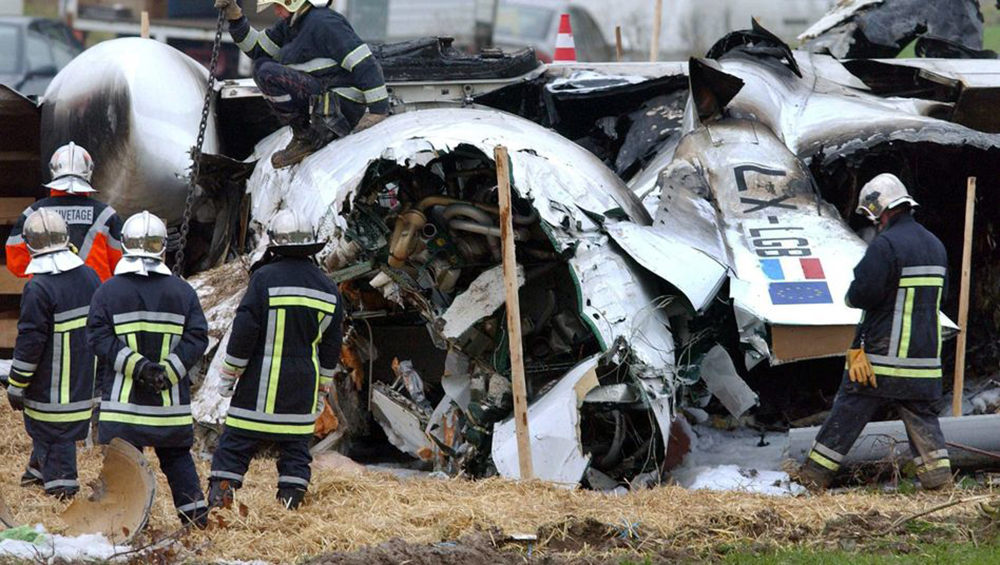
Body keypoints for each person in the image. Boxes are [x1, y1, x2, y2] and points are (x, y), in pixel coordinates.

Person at [797, 174, 952, 491]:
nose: (875, 223)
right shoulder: (935, 246)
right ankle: (938, 482)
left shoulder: (886, 245)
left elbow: (862, 294)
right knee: (923, 419)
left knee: (849, 410)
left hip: (882, 359)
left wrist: (851, 295)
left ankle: (813, 476)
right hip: (924, 361)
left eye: (873, 217)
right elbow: (942, 296)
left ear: (881, 209)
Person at [208, 210, 342, 510]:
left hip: (258, 387)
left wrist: (229, 374)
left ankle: (219, 505)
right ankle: (288, 509)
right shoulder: (327, 287)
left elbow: (245, 331)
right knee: (295, 452)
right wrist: (322, 388)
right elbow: (331, 346)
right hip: (301, 388)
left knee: (235, 446)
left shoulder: (263, 279)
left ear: (275, 243)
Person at [86, 211, 210, 527]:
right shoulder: (183, 292)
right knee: (178, 461)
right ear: (163, 247)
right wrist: (166, 372)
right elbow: (197, 338)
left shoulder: (108, 291)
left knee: (124, 470)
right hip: (169, 408)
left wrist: (139, 368)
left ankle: (123, 527)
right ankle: (196, 521)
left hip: (123, 408)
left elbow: (98, 338)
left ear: (124, 244)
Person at [215, 0, 389, 169]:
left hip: (340, 107)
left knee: (267, 73)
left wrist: (378, 111)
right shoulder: (290, 25)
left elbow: (365, 64)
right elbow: (258, 48)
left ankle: (309, 137)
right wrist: (235, 17)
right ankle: (304, 135)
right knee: (261, 66)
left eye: (278, 5)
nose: (276, 11)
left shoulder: (325, 23)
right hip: (323, 97)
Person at [5, 209, 101, 499]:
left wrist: (16, 383)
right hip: (83, 384)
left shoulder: (38, 287)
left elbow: (30, 342)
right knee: (51, 436)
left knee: (53, 436)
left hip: (51, 392)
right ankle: (35, 475)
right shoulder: (90, 276)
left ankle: (62, 490)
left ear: (30, 245)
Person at [6, 142, 123, 282]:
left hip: (46, 292)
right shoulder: (106, 215)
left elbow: (17, 264)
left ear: (52, 170)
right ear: (89, 171)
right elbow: (119, 264)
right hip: (94, 293)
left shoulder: (33, 214)